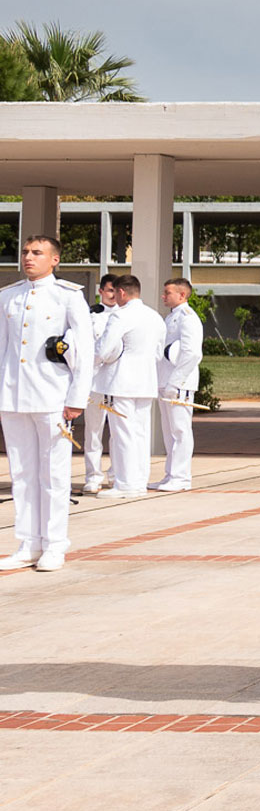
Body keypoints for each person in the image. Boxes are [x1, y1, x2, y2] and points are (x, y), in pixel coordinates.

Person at [0, 236, 95, 572]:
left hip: (53, 396)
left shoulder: (67, 295)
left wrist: (76, 399)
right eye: (26, 252)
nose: (28, 257)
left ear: (54, 259)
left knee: (53, 474)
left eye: (37, 253)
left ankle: (55, 544)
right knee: (22, 473)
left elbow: (84, 350)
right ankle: (28, 543)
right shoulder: (9, 295)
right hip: (13, 396)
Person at [92, 274, 167, 499]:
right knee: (140, 433)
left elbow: (104, 350)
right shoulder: (155, 316)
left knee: (122, 434)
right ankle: (139, 481)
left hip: (120, 381)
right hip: (145, 381)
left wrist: (91, 361)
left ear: (122, 292)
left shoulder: (120, 315)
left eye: (115, 292)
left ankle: (125, 484)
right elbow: (158, 353)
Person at [154, 278, 204, 491]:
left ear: (182, 295)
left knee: (180, 431)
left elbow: (191, 353)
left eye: (168, 293)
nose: (163, 296)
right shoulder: (171, 316)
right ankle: (170, 475)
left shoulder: (188, 318)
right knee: (169, 432)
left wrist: (176, 382)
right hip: (166, 380)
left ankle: (181, 477)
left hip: (179, 383)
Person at [80, 273, 119, 495]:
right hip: (94, 380)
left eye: (116, 291)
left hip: (115, 380)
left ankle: (115, 474)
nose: (113, 295)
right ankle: (93, 476)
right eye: (109, 290)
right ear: (101, 291)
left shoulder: (125, 315)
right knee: (93, 431)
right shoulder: (90, 315)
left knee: (117, 431)